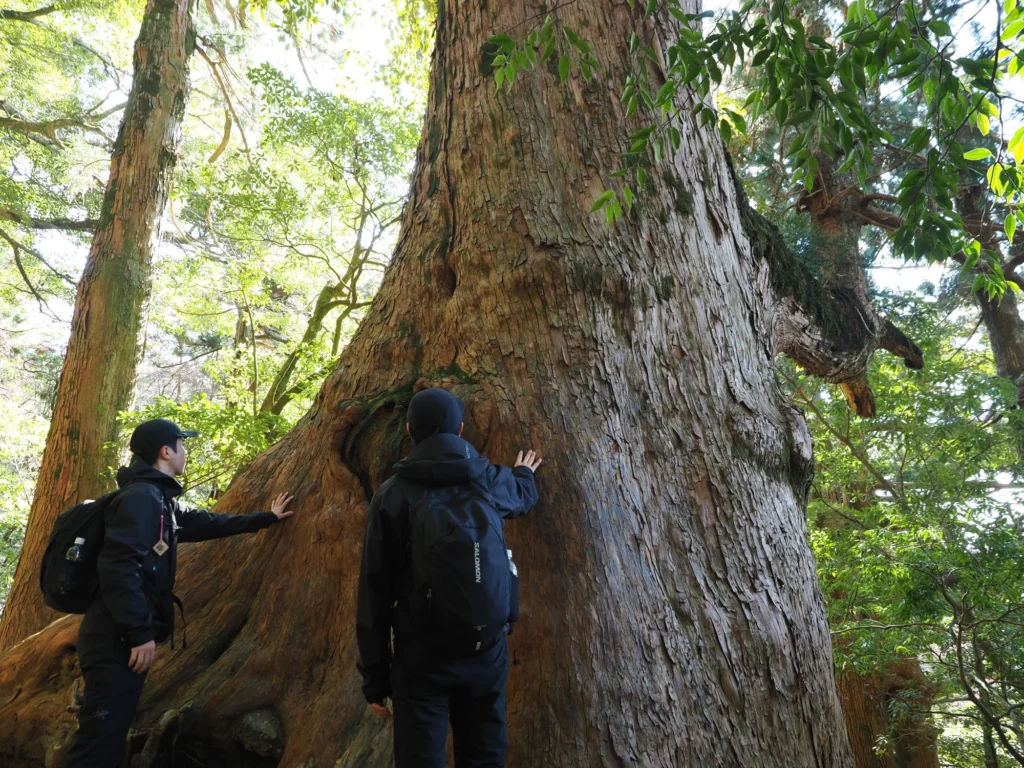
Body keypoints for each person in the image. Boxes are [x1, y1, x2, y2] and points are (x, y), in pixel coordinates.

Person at [65, 418, 295, 768]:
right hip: (115, 639)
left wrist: (266, 518)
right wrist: (139, 632)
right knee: (99, 741)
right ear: (166, 451)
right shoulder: (143, 499)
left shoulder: (158, 499)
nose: (185, 452)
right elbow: (118, 568)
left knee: (107, 735)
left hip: (120, 636)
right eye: (182, 445)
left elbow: (208, 523)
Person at [356, 388, 543, 768]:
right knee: (485, 755)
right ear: (460, 429)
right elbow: (522, 496)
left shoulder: (394, 494)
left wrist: (375, 677)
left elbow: (373, 590)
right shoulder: (487, 478)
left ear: (409, 431)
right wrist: (523, 473)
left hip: (421, 656)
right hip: (485, 650)